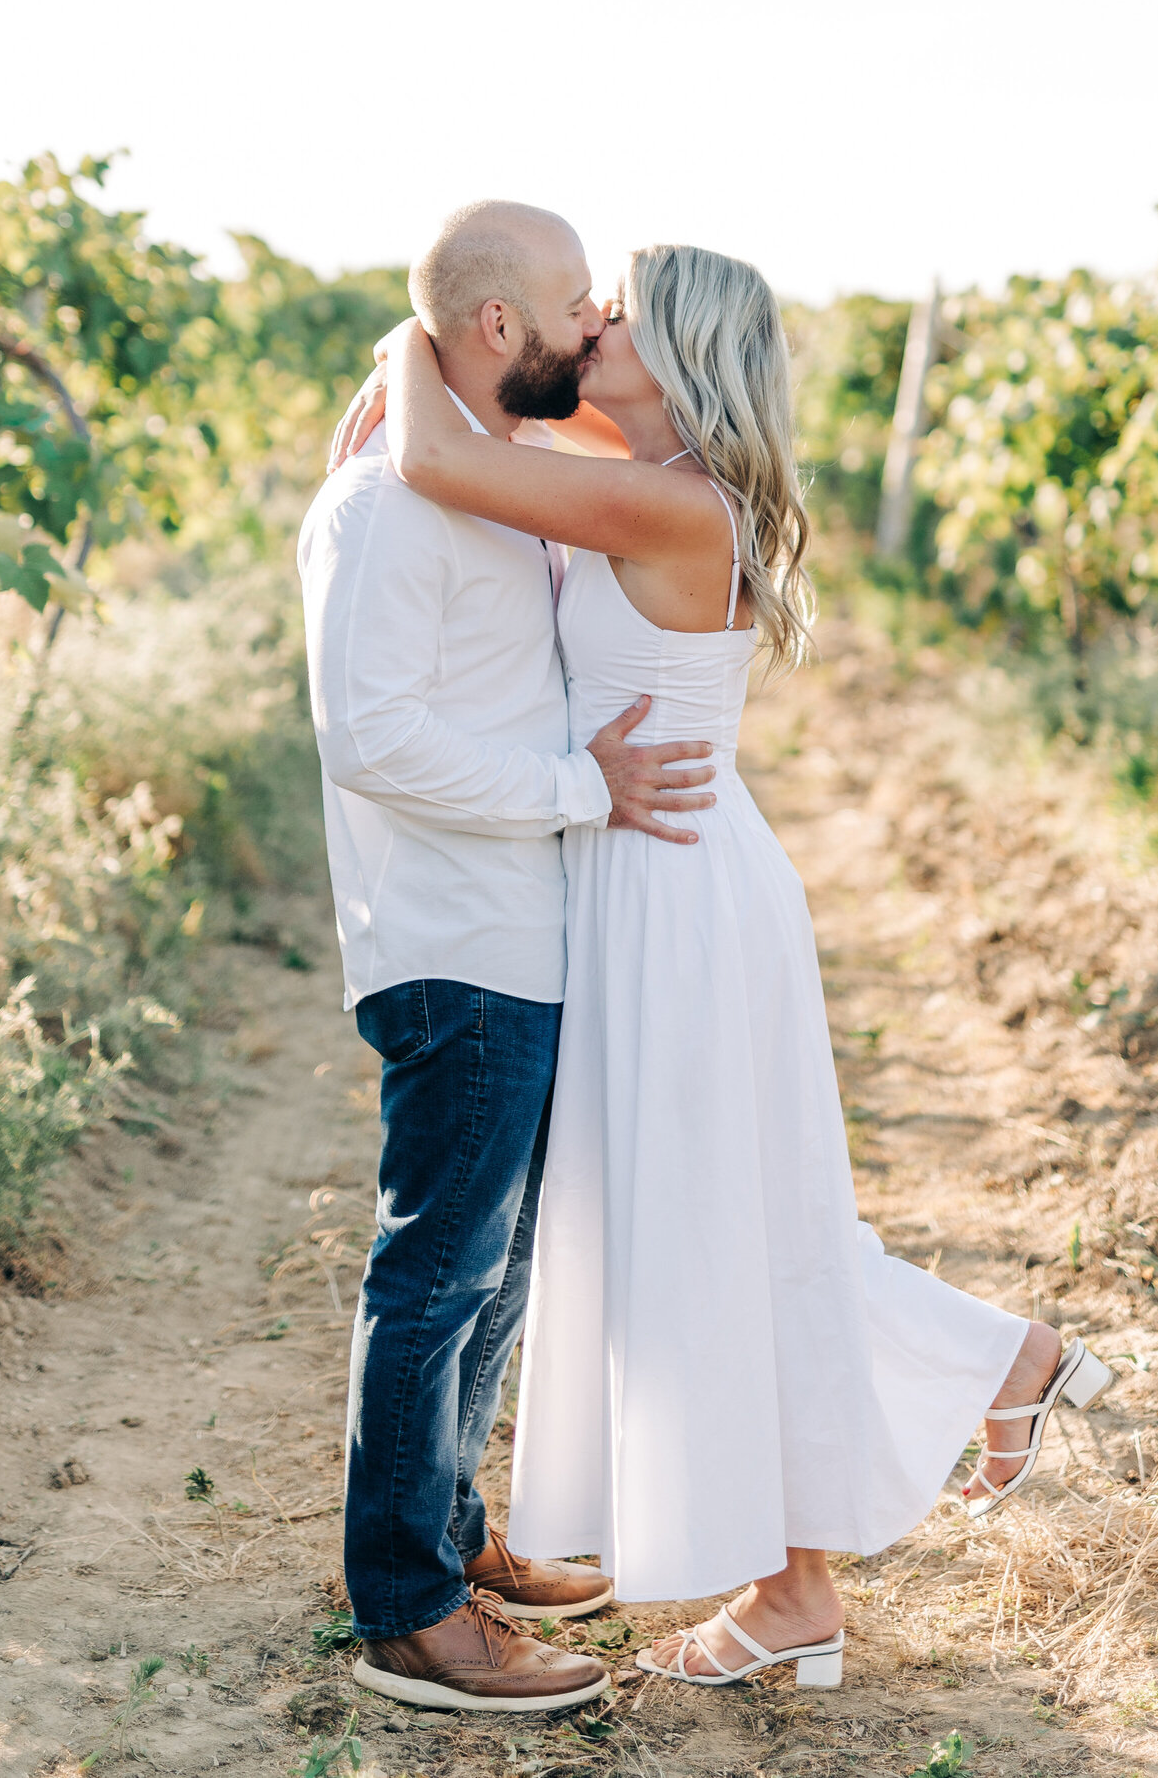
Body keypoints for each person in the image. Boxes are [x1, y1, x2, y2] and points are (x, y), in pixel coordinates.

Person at [341, 230, 1114, 1693]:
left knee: (715, 1234)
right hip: (662, 882)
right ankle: (802, 1582)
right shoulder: (657, 479)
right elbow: (495, 426)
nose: (587, 327)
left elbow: (442, 457)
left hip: (675, 897)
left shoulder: (663, 501)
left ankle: (969, 1395)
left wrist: (403, 341)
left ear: (682, 352)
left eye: (614, 313)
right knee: (714, 1233)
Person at [297, 203, 724, 1714]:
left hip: (527, 932)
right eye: (569, 303)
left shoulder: (496, 488)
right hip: (457, 935)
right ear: (495, 330)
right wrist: (575, 789)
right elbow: (371, 737)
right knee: (440, 1266)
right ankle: (408, 1609)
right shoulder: (385, 510)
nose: (592, 318)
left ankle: (450, 1537)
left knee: (497, 1269)